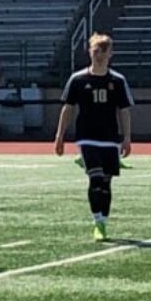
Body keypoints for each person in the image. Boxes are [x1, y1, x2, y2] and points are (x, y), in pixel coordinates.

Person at [54, 33, 134, 242]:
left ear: (110, 54)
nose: (97, 55)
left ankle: (103, 222)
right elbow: (68, 108)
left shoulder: (117, 81)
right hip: (87, 137)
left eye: (101, 51)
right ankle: (96, 220)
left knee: (106, 184)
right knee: (96, 178)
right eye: (94, 50)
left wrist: (126, 138)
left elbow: (123, 110)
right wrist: (60, 136)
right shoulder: (78, 79)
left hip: (109, 138)